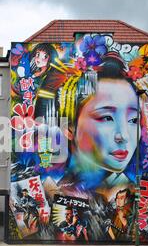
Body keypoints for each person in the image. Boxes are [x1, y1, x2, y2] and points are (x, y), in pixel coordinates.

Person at [60, 52, 140, 191]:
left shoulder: (135, 195)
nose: (124, 136)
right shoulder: (53, 192)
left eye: (133, 120)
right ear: (69, 128)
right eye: (107, 118)